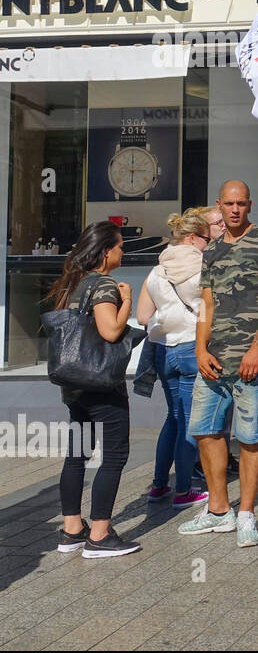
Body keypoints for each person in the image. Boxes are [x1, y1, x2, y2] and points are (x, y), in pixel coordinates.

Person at [180, 181, 258, 548]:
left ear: (250, 205)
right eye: (229, 203)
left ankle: (246, 514)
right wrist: (199, 349)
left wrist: (257, 349)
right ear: (219, 206)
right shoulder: (210, 252)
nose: (236, 209)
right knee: (204, 430)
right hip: (213, 358)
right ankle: (219, 509)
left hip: (250, 360)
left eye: (242, 203)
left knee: (249, 437)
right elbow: (205, 307)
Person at [49, 222, 141, 558]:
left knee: (77, 456)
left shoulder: (71, 283)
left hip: (75, 386)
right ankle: (100, 535)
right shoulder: (103, 284)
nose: (122, 252)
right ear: (106, 251)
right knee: (115, 456)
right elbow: (112, 331)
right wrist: (127, 300)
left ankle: (72, 530)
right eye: (119, 247)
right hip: (102, 386)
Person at [135, 207, 214, 510]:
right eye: (206, 238)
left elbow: (143, 315)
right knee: (192, 421)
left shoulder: (157, 270)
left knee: (174, 417)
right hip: (193, 348)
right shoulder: (202, 268)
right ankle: (183, 490)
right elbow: (212, 309)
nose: (208, 244)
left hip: (163, 350)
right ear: (193, 238)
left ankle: (158, 485)